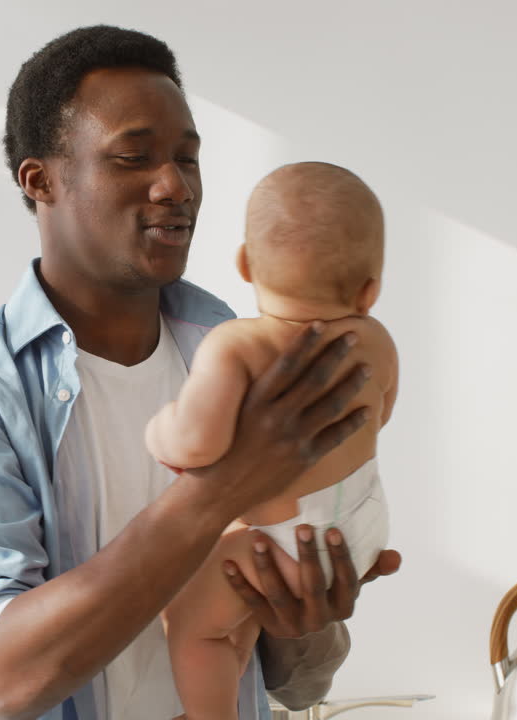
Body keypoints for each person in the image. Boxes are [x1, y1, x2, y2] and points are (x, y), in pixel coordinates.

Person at [0, 25, 400, 720]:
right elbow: (2, 679)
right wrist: (220, 491)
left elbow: (299, 687)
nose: (175, 186)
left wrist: (305, 620)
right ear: (40, 181)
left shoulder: (243, 350)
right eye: (134, 157)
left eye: (188, 159)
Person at [148, 162, 397, 720]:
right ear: (369, 290)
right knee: (233, 614)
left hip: (284, 543)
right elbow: (380, 415)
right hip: (360, 525)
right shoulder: (377, 343)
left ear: (244, 264)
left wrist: (161, 428)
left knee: (193, 626)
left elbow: (195, 445)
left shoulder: (234, 344)